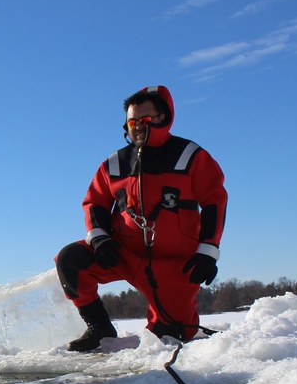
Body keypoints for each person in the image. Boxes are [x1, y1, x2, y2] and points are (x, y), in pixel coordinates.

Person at [55, 85, 228, 351]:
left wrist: (208, 250)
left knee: (172, 338)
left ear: (164, 118)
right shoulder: (113, 164)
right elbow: (94, 203)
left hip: (174, 264)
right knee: (71, 259)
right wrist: (100, 238)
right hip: (122, 254)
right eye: (133, 121)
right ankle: (98, 327)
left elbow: (215, 201)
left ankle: (169, 324)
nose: (138, 126)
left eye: (145, 120)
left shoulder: (191, 157)